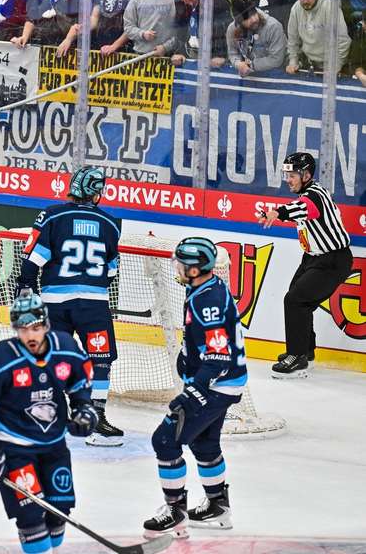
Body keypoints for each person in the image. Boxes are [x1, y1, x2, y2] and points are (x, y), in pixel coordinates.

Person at [0, 292, 97, 554]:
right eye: (23, 330)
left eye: (35, 328)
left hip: (54, 446)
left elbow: (80, 383)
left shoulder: (66, 347)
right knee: (31, 515)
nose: (30, 336)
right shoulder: (0, 359)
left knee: (59, 511)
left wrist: (84, 408)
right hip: (14, 448)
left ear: (46, 325)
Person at [142, 237, 246, 539]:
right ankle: (218, 506)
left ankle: (175, 512)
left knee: (164, 440)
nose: (176, 267)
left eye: (181, 263)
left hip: (216, 385)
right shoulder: (204, 288)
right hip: (224, 383)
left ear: (195, 268)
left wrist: (193, 392)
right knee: (203, 444)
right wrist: (187, 358)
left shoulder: (206, 300)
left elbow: (218, 356)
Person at [16, 166, 123, 447]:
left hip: (55, 304)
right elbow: (111, 271)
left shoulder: (52, 215)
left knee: (50, 357)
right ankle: (96, 419)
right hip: (93, 305)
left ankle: (44, 415)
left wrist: (26, 287)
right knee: (101, 360)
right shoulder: (111, 223)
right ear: (96, 193)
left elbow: (32, 260)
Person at [258, 152, 353, 378]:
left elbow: (303, 208)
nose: (288, 180)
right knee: (298, 301)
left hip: (333, 260)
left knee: (295, 300)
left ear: (306, 175)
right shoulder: (307, 193)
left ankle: (297, 356)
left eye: (292, 175)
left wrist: (277, 212)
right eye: (287, 175)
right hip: (313, 258)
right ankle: (305, 352)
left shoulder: (315, 195)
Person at [286, 0, 352, 74]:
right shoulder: (296, 9)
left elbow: (343, 41)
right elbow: (293, 41)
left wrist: (335, 67)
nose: (305, 1)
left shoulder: (330, 7)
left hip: (332, 66)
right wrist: (293, 62)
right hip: (308, 65)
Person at [171, 0, 231, 67]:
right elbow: (181, 31)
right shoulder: (183, 4)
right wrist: (179, 52)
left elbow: (224, 30)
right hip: (193, 56)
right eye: (186, 2)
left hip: (216, 58)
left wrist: (221, 56)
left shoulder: (216, 1)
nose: (190, 4)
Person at [225, 0, 287, 76]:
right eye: (247, 18)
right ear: (239, 22)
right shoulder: (232, 29)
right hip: (250, 75)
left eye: (254, 14)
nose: (254, 19)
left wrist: (250, 65)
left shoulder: (273, 26)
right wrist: (238, 64)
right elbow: (232, 53)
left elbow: (277, 60)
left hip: (277, 73)